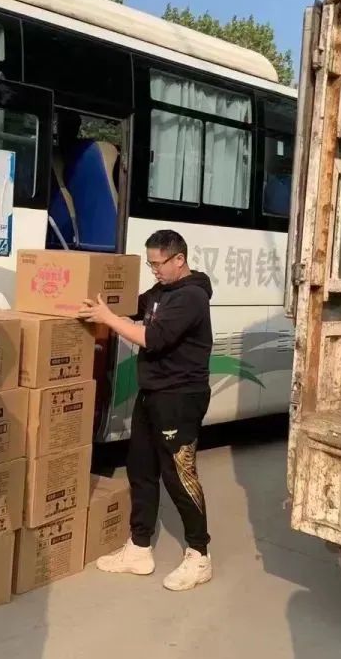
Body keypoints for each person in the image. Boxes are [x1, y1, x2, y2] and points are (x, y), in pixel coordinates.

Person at [78, 230, 214, 591]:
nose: (154, 270)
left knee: (179, 475)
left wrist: (108, 318)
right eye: (151, 264)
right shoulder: (160, 292)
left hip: (180, 398)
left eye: (158, 264)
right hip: (151, 393)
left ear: (179, 260)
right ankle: (139, 548)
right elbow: (130, 307)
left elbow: (151, 338)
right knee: (140, 469)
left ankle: (199, 554)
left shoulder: (191, 297)